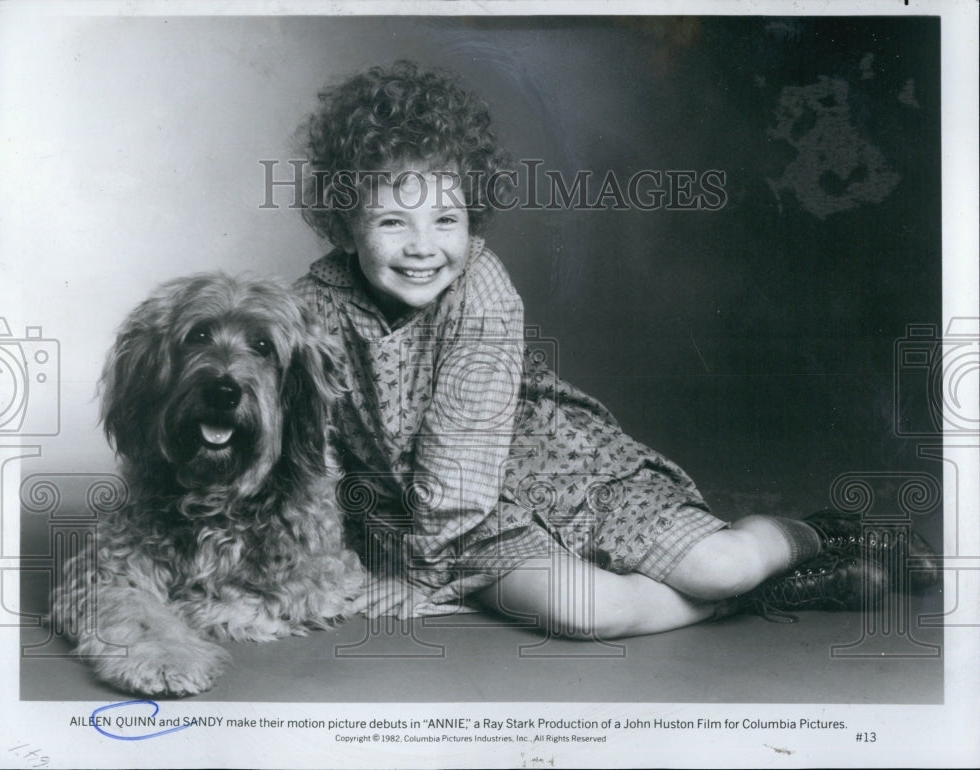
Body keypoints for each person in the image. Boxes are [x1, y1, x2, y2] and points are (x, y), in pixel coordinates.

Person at [293, 61, 936, 638]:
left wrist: (419, 582)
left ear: (472, 217)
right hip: (455, 528)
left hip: (553, 471)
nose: (421, 246)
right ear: (346, 227)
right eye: (391, 221)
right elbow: (305, 450)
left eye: (445, 219)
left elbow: (461, 460)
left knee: (719, 565)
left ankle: (818, 535)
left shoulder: (479, 293)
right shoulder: (312, 307)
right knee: (587, 612)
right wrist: (352, 559)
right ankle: (777, 590)